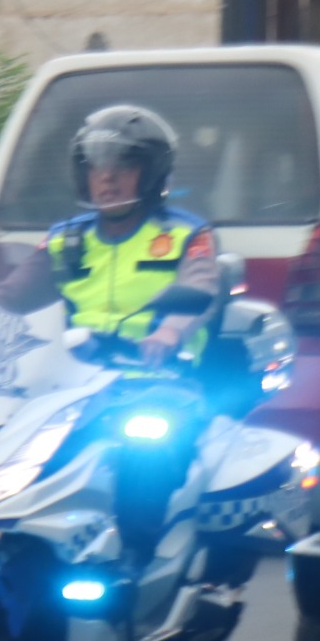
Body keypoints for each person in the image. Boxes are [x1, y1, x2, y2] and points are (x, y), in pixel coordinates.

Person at [44, 104, 224, 558]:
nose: (107, 177)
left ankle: (135, 562)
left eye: (124, 164)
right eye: (96, 165)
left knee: (146, 457)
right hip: (69, 385)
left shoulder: (186, 234)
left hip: (157, 383)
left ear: (150, 173)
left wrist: (169, 333)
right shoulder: (64, 238)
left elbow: (199, 287)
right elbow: (12, 294)